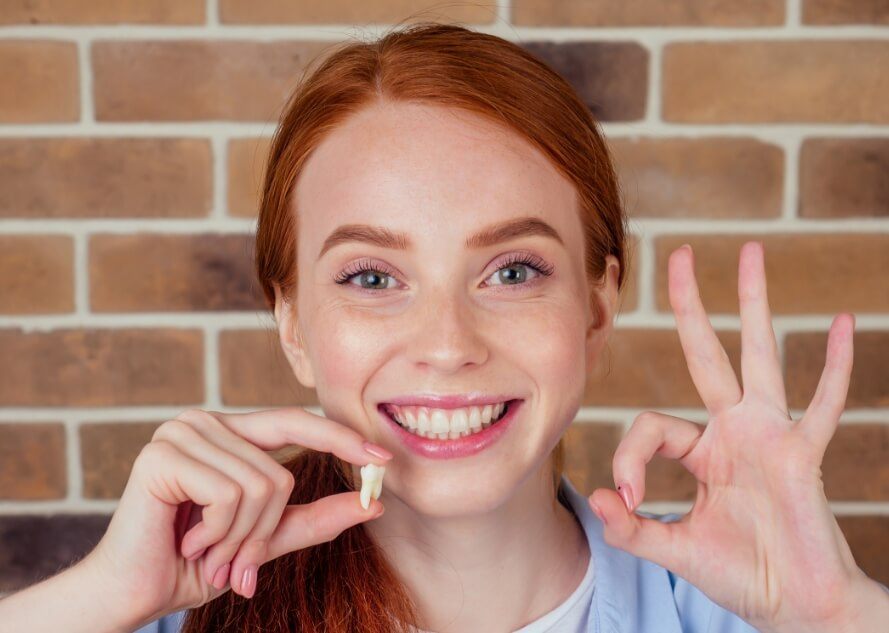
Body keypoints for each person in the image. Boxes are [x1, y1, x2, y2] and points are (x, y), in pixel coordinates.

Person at [2, 21, 888, 633]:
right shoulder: (166, 613)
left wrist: (836, 612)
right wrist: (99, 597)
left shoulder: (757, 610)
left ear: (596, 305)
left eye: (512, 270)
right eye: (373, 276)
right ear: (293, 326)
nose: (447, 342)